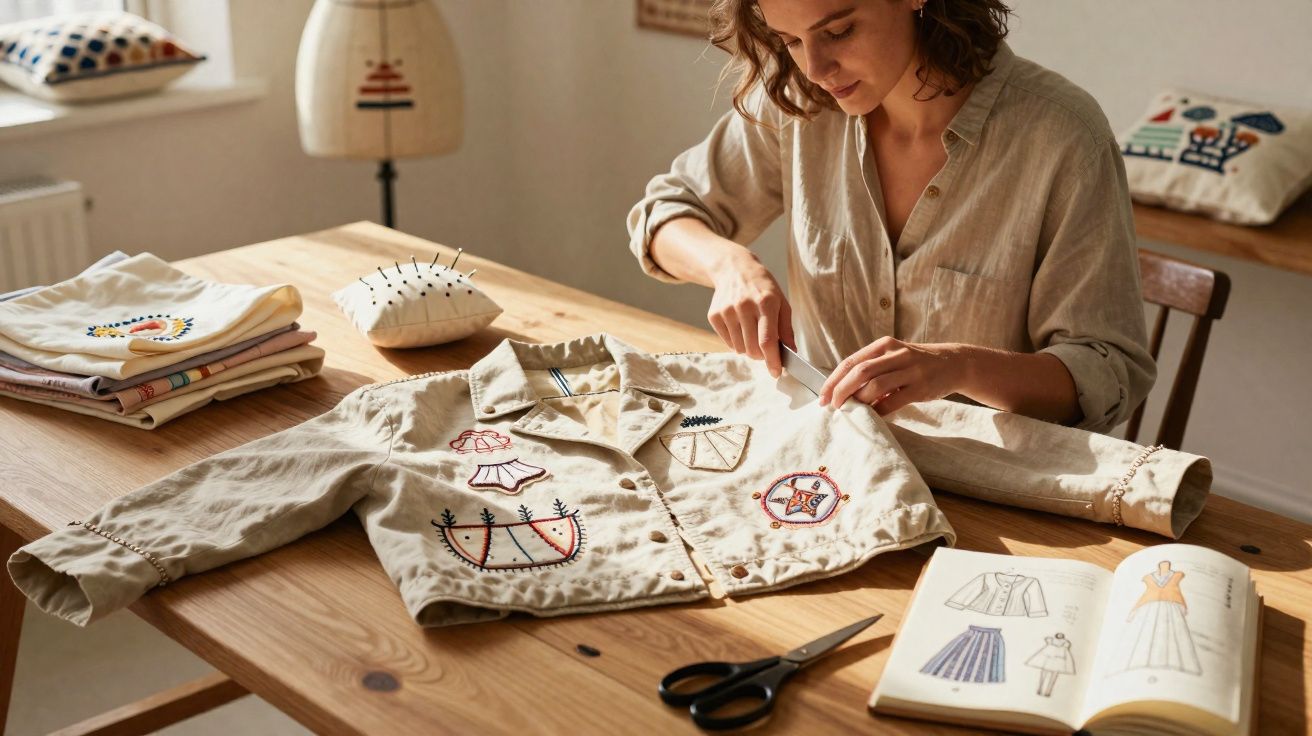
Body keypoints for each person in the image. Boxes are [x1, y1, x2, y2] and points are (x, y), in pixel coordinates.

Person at [626, 0, 1155, 434]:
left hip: (986, 497)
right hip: (824, 461)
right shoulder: (798, 104)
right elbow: (664, 213)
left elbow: (1108, 372)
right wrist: (729, 266)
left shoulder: (1063, 137)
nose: (815, 68)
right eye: (789, 40)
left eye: (838, 30)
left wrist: (960, 367)